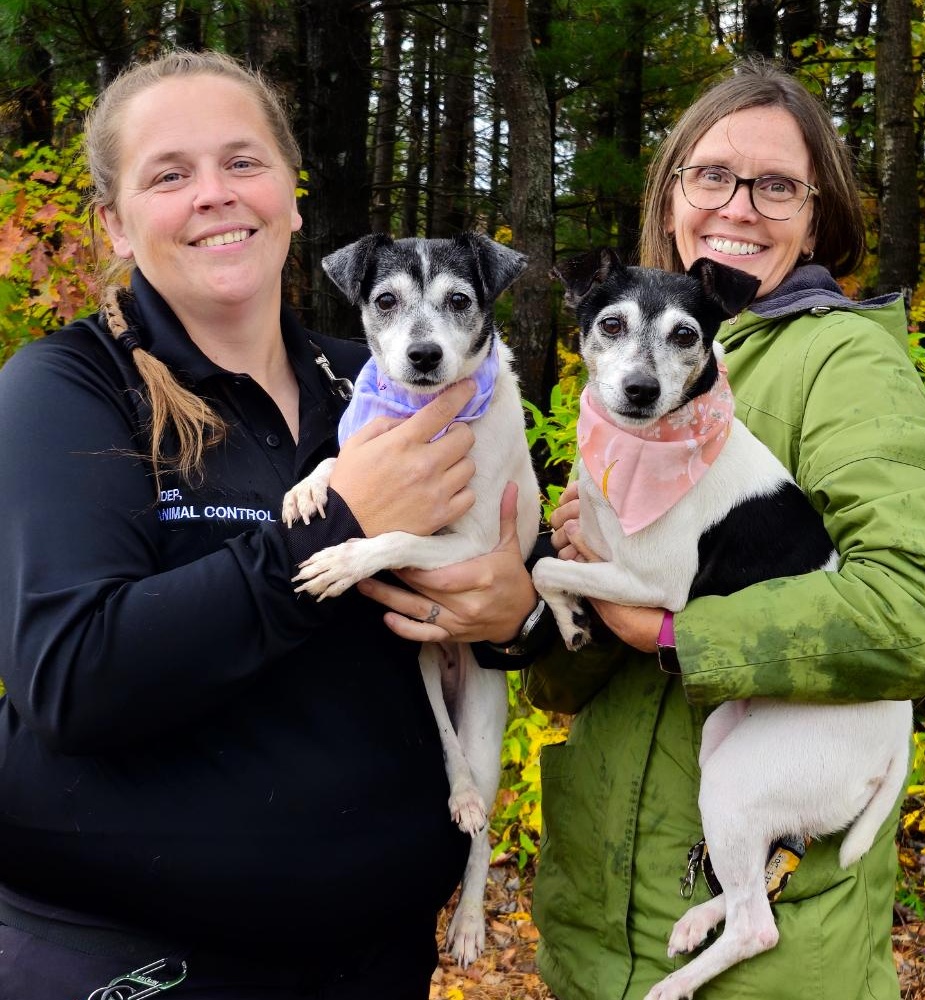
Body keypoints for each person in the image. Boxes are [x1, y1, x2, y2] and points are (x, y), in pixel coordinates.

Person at [0, 49, 536, 1000]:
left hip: (377, 956)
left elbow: (519, 567)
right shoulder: (67, 387)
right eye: (170, 174)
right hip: (131, 955)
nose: (214, 193)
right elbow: (72, 676)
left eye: (242, 162)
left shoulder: (382, 385)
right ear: (114, 222)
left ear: (292, 196)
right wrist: (338, 522)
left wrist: (511, 616)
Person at [517, 61, 925, 1000]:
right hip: (602, 931)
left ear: (818, 212)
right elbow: (562, 685)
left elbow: (922, 614)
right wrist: (572, 571)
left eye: (776, 185)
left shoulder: (842, 360)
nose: (739, 205)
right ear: (672, 190)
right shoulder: (627, 389)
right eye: (713, 175)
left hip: (776, 961)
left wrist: (677, 632)